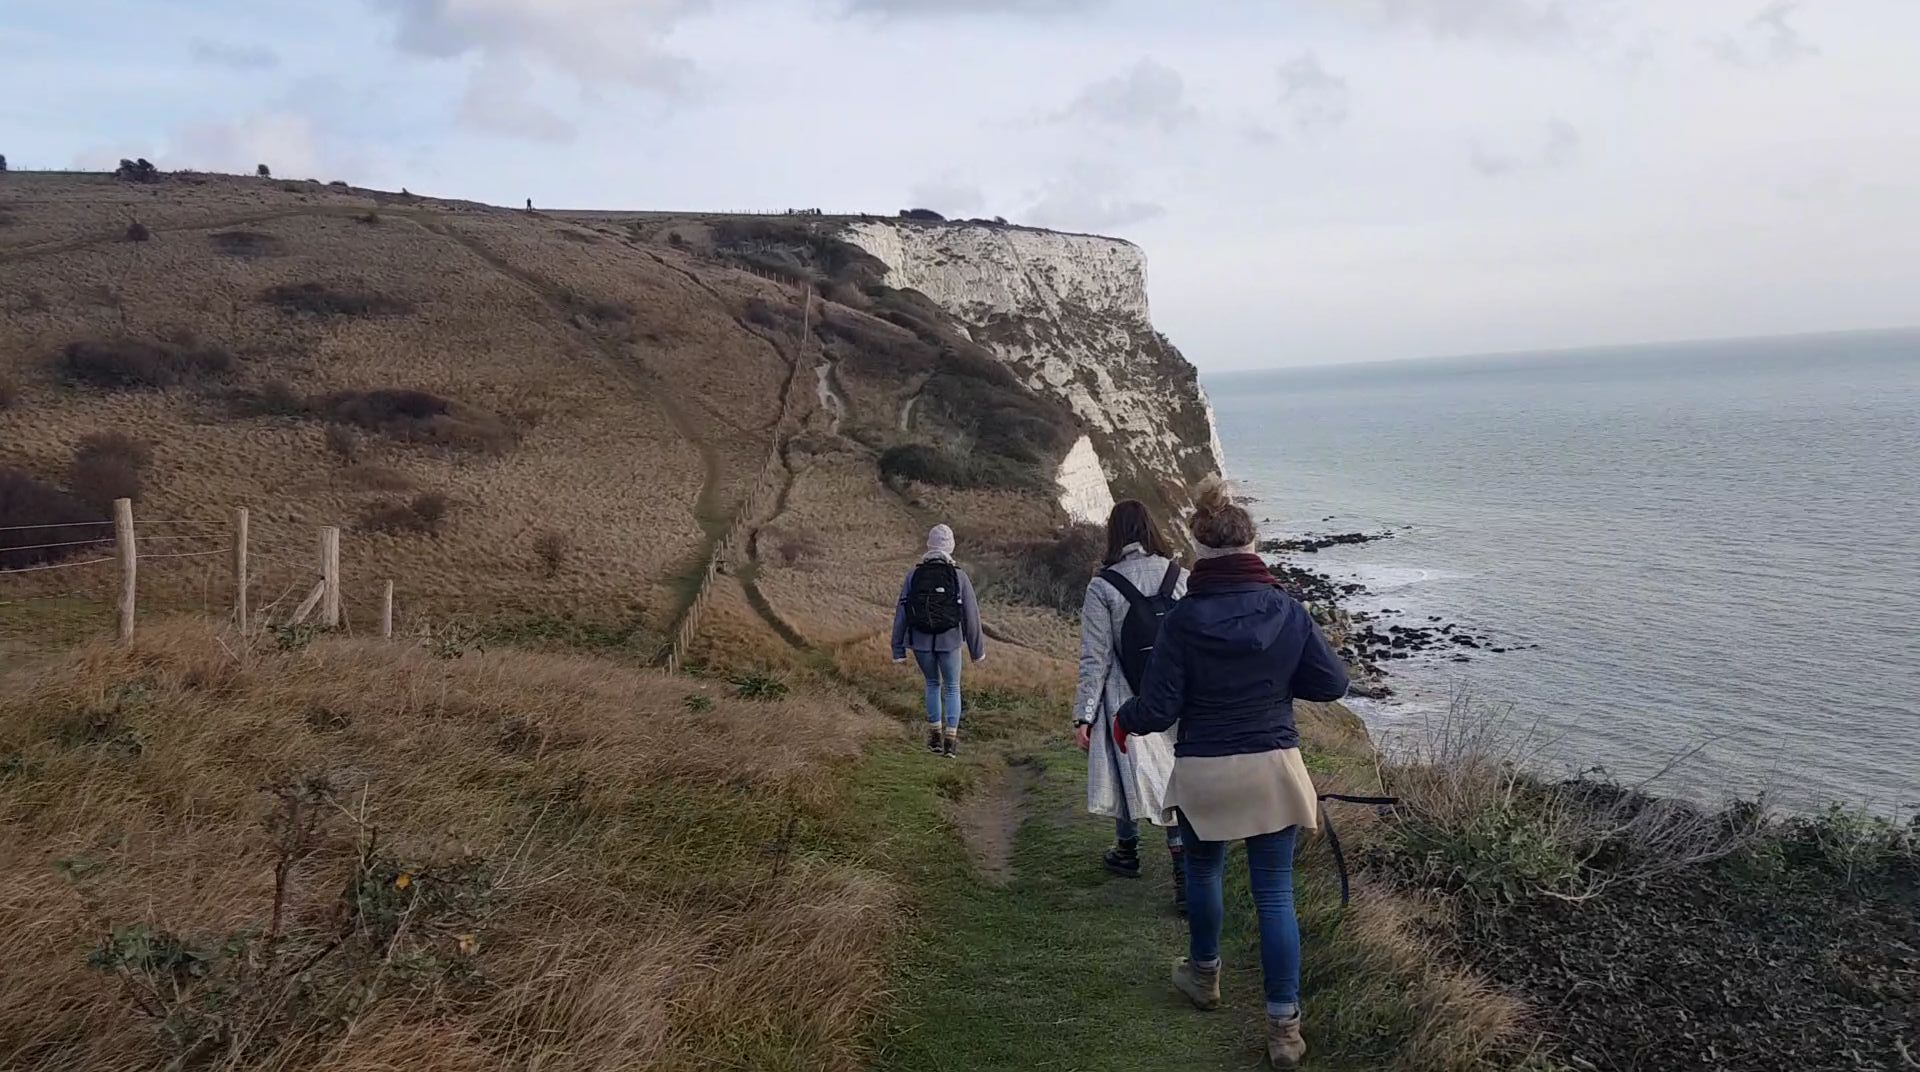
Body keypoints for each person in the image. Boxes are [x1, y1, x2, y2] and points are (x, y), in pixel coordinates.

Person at [1114, 481, 1349, 1069]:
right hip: (1273, 765)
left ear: (1199, 550)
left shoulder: (1185, 619)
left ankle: (1204, 976)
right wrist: (1274, 683)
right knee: (1275, 894)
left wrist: (1124, 719)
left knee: (1205, 871)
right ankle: (1284, 1029)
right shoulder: (1288, 610)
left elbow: (1158, 708)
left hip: (1206, 769)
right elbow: (1333, 685)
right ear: (1253, 546)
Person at [1072, 500, 1187, 908]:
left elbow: (1095, 657)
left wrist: (1084, 715)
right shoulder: (1180, 578)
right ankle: (1183, 871)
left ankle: (1127, 850)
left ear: (1114, 535)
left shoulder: (1103, 586)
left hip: (1128, 697)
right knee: (1176, 778)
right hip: (1178, 696)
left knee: (1131, 774)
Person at [892, 524, 985, 757]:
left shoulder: (914, 575)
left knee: (932, 684)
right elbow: (971, 615)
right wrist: (977, 651)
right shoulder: (958, 576)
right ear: (950, 546)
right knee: (952, 687)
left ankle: (934, 737)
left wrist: (898, 649)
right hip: (950, 640)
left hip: (920, 641)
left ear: (929, 545)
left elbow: (902, 612)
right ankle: (951, 742)